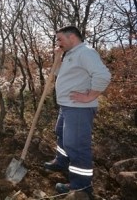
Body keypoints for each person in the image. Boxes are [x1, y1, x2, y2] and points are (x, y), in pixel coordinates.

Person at [44, 26, 111, 198]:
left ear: (72, 37)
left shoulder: (86, 52)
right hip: (67, 106)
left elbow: (103, 75)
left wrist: (90, 96)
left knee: (77, 146)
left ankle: (81, 186)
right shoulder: (71, 54)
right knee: (61, 134)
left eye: (60, 39)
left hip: (79, 109)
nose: (58, 43)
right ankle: (61, 162)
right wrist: (57, 58)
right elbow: (58, 73)